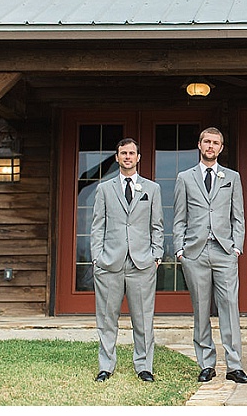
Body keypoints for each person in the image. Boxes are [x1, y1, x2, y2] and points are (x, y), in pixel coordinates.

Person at [173, 127, 247, 384]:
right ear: (199, 144)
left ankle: (234, 365)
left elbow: (238, 216)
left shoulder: (232, 177)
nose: (211, 146)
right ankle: (206, 364)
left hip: (224, 251)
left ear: (221, 147)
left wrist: (236, 247)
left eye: (215, 143)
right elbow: (179, 218)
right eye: (207, 141)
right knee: (201, 309)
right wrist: (180, 249)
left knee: (230, 308)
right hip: (195, 252)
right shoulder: (185, 177)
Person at [91, 138, 164, 382]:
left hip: (142, 263)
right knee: (107, 318)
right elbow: (97, 226)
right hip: (110, 263)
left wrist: (156, 255)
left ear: (139, 157)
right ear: (117, 157)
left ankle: (144, 366)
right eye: (123, 153)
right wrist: (96, 258)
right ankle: (106, 366)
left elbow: (157, 226)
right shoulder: (104, 189)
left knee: (143, 319)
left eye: (132, 153)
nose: (128, 157)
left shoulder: (152, 189)